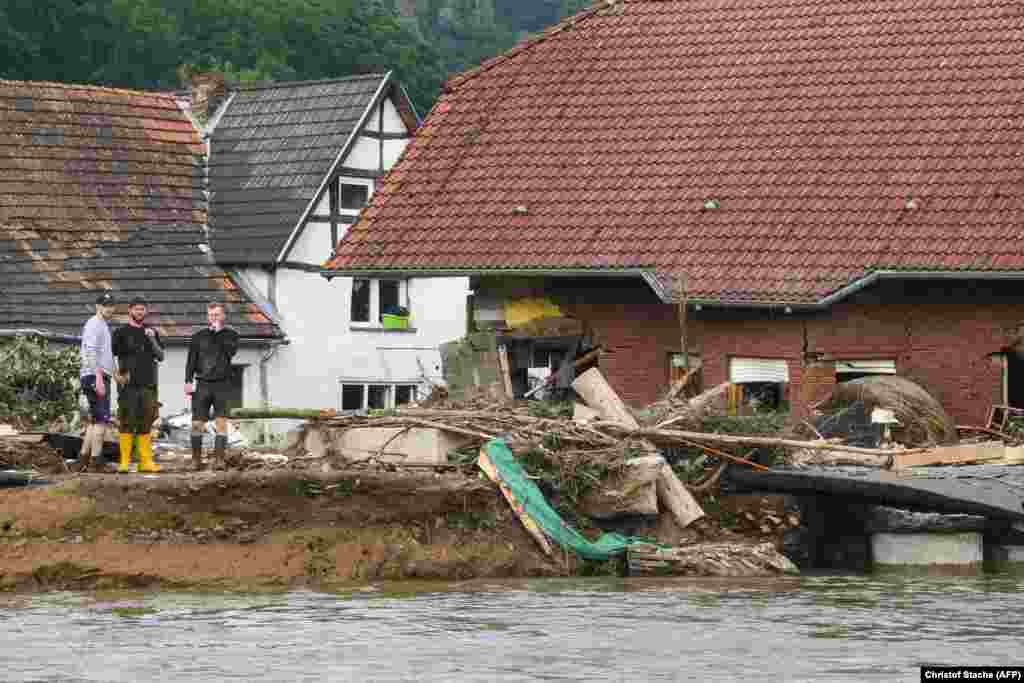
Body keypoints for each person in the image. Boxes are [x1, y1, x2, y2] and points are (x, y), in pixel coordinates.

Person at [111, 296, 165, 473]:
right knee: (126, 422)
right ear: (130, 310)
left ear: (146, 311)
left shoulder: (152, 332)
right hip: (128, 386)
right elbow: (110, 355)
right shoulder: (120, 332)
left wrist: (152, 339)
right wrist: (115, 374)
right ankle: (125, 462)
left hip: (148, 385)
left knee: (146, 423)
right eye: (136, 309)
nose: (139, 312)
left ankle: (145, 462)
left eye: (142, 309)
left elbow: (161, 356)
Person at [185, 302, 239, 471]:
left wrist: (218, 334)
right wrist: (188, 380)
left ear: (223, 316)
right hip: (202, 384)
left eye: (216, 315)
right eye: (210, 315)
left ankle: (219, 459)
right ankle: (196, 460)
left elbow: (231, 352)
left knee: (221, 423)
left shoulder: (231, 335)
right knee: (196, 424)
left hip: (222, 384)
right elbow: (191, 360)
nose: (213, 318)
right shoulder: (198, 336)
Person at [79, 291, 117, 470]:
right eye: (105, 305)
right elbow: (91, 351)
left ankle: (83, 460)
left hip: (95, 375)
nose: (109, 309)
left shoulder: (102, 325)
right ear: (98, 306)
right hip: (95, 375)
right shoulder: (95, 324)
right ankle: (96, 462)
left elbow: (105, 354)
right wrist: (99, 378)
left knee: (95, 421)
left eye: (111, 306)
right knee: (102, 421)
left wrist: (115, 374)